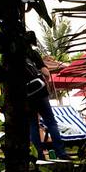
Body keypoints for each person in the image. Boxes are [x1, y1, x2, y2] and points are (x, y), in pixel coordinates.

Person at [26, 32, 68, 160]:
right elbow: (45, 72)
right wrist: (47, 80)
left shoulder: (14, 56)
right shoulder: (33, 54)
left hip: (27, 95)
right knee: (51, 122)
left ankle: (38, 155)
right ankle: (61, 152)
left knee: (33, 124)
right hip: (40, 92)